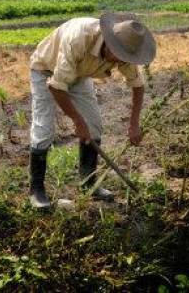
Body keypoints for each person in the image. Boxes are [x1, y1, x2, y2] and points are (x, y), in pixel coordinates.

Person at [28, 12, 156, 208]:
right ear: (110, 43)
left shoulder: (125, 51)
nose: (120, 61)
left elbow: (138, 86)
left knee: (94, 125)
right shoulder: (79, 39)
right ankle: (36, 191)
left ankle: (88, 183)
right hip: (46, 70)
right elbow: (56, 86)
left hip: (80, 74)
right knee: (44, 129)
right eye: (118, 55)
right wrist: (77, 122)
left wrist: (134, 124)